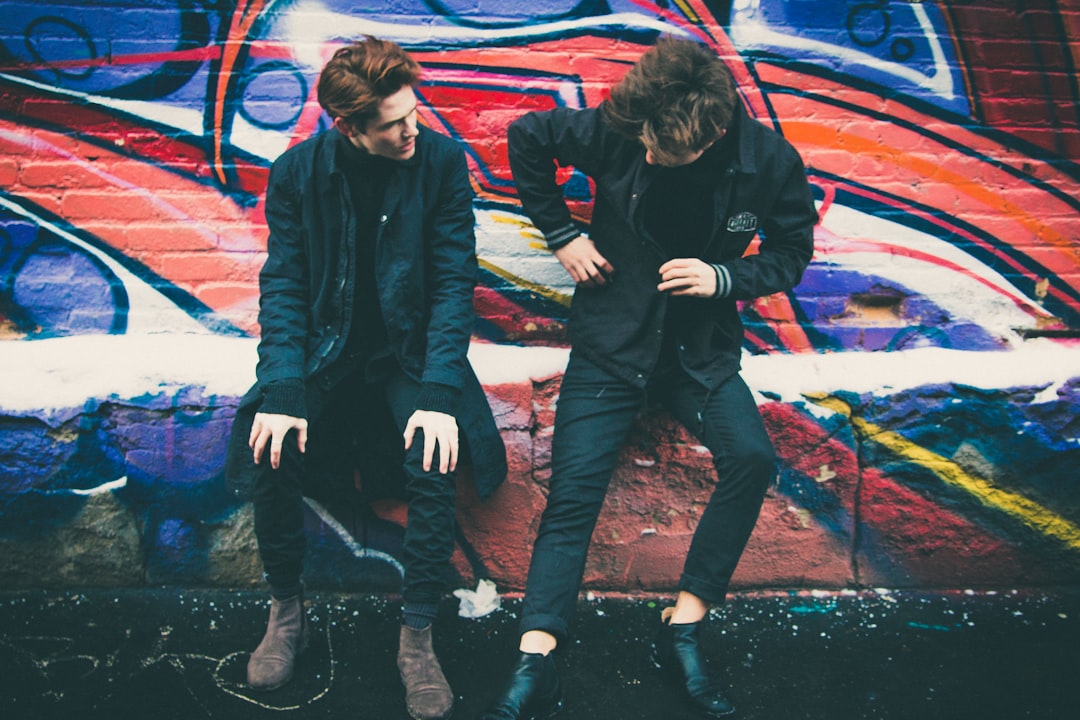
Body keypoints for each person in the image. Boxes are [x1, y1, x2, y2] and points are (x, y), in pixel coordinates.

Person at [482, 37, 818, 719]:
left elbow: (791, 253)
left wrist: (723, 277)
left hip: (699, 355)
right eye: (643, 145)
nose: (649, 156)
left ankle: (682, 627)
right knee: (572, 494)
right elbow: (528, 137)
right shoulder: (626, 127)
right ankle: (536, 658)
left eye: (664, 151)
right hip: (612, 345)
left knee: (751, 457)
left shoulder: (769, 162)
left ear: (711, 135)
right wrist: (562, 234)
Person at [224, 36, 506, 720]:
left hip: (409, 354)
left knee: (434, 456)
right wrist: (284, 388)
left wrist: (438, 395)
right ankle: (286, 613)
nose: (413, 129)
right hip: (326, 350)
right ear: (350, 127)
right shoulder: (298, 173)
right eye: (394, 124)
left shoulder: (439, 162)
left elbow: (453, 286)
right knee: (269, 446)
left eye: (414, 113)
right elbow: (285, 285)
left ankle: (417, 637)